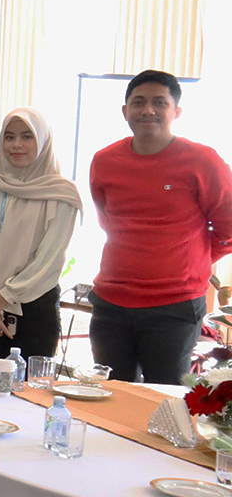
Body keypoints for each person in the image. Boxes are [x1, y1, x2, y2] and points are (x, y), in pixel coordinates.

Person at [89, 69, 232, 383]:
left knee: (165, 399)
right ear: (125, 111)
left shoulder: (203, 161)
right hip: (111, 302)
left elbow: (228, 229)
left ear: (176, 111)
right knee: (110, 394)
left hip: (174, 307)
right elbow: (108, 220)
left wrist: (193, 260)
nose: (148, 110)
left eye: (159, 103)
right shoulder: (104, 160)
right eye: (138, 102)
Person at [0, 107, 83, 371]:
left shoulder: (60, 193)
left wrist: (2, 298)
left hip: (34, 305)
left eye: (27, 137)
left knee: (31, 393)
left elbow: (49, 258)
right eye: (9, 137)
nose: (16, 145)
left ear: (43, 141)